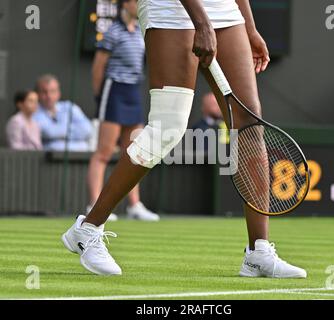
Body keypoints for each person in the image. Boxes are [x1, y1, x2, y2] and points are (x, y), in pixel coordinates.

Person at [62, 0, 307, 278]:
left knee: (248, 121)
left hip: (224, 9)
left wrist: (249, 27)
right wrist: (201, 22)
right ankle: (88, 227)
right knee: (167, 127)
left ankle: (258, 252)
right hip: (171, 9)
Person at [87, 0, 159, 222]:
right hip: (114, 90)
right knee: (104, 152)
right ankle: (94, 204)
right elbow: (98, 68)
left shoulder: (140, 31)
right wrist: (101, 99)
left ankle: (134, 205)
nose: (138, 5)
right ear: (125, 4)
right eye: (135, 1)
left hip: (132, 92)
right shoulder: (112, 32)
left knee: (133, 152)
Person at [33, 75, 93, 152]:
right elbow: (49, 132)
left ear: (58, 93)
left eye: (52, 91)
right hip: (51, 159)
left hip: (79, 156)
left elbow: (87, 130)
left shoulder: (69, 107)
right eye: (44, 92)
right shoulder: (33, 111)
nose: (49, 96)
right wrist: (72, 129)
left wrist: (61, 133)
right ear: (37, 94)